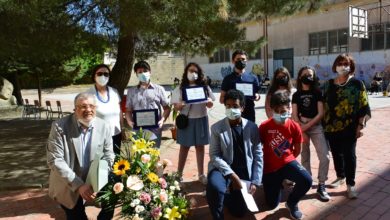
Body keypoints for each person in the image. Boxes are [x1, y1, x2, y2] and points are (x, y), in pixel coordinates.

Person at [47, 92, 115, 220]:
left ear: (95, 108)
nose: (88, 110)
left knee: (114, 193)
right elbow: (55, 160)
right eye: (83, 106)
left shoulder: (104, 126)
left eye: (91, 106)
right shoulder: (59, 126)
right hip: (68, 182)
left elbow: (108, 154)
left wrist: (97, 181)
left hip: (94, 179)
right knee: (76, 216)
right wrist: (79, 185)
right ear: (75, 109)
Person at [206, 89, 263, 220]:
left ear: (242, 108)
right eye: (228, 106)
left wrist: (255, 181)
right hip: (222, 169)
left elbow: (258, 154)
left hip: (243, 170)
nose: (231, 109)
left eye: (235, 106)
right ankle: (218, 214)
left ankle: (227, 195)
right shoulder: (216, 128)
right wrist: (232, 176)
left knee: (239, 212)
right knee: (214, 188)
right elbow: (214, 156)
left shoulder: (252, 127)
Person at [323, 54, 371, 199]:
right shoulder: (329, 84)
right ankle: (340, 176)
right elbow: (323, 105)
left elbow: (364, 106)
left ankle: (351, 184)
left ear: (350, 66)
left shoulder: (357, 84)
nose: (342, 66)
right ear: (335, 66)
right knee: (336, 153)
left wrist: (360, 125)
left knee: (349, 155)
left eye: (345, 63)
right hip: (331, 126)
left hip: (350, 127)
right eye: (340, 63)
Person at [259, 90, 312, 220]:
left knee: (307, 180)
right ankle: (276, 183)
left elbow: (297, 149)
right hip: (269, 169)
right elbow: (257, 148)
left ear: (289, 108)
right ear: (271, 110)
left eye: (284, 110)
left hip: (287, 163)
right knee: (271, 204)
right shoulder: (264, 126)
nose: (282, 114)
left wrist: (288, 162)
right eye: (278, 111)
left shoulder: (294, 126)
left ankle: (292, 203)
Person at [171, 63, 215, 184]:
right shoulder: (180, 88)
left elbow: (211, 101)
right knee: (184, 147)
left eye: (196, 71)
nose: (193, 73)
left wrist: (209, 102)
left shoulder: (204, 87)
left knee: (200, 147)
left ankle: (201, 174)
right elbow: (175, 106)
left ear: (199, 74)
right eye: (191, 71)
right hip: (187, 121)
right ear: (186, 72)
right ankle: (179, 174)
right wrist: (180, 105)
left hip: (201, 119)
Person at [292, 66, 331, 201]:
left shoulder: (317, 92)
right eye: (305, 74)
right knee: (305, 155)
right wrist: (300, 128)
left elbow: (321, 113)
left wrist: (307, 126)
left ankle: (321, 184)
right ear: (300, 76)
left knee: (325, 156)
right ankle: (306, 182)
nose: (308, 76)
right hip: (300, 126)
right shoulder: (296, 95)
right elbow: (294, 115)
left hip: (315, 126)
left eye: (310, 74)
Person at [125, 60, 171, 148]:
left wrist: (162, 120)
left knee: (154, 156)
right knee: (139, 157)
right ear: (136, 74)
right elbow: (128, 110)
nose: (143, 73)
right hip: (138, 130)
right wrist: (129, 121)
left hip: (155, 129)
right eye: (140, 72)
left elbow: (167, 108)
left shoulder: (159, 89)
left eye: (145, 71)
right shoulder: (131, 91)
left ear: (150, 72)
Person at [86, 64, 123, 154]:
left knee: (116, 164)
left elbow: (120, 111)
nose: (103, 76)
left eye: (106, 74)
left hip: (116, 135)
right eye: (100, 74)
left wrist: (122, 128)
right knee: (102, 165)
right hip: (98, 137)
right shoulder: (88, 95)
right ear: (94, 76)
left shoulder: (114, 92)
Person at [220, 50, 261, 122]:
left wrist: (257, 97)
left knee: (249, 132)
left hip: (249, 113)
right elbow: (221, 99)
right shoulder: (228, 79)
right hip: (233, 114)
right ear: (233, 61)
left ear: (246, 61)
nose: (241, 61)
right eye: (238, 59)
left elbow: (257, 94)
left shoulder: (253, 78)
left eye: (243, 59)